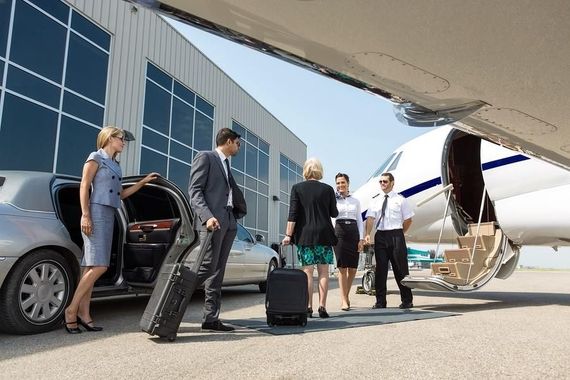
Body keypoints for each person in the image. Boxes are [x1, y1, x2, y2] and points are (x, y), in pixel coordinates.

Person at [64, 127, 159, 334]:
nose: (124, 142)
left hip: (109, 214)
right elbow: (84, 185)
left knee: (90, 267)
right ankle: (71, 310)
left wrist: (142, 183)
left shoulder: (116, 166)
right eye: (121, 139)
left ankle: (84, 315)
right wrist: (85, 214)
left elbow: (121, 194)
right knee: (100, 266)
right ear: (109, 138)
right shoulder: (95, 157)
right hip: (95, 212)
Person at [189, 128, 246, 332]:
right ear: (229, 141)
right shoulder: (206, 157)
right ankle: (173, 298)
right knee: (207, 267)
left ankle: (211, 318)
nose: (239, 147)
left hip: (229, 220)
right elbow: (194, 191)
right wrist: (207, 217)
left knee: (218, 270)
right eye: (238, 143)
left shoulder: (226, 164)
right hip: (212, 222)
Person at [282, 158, 338, 318]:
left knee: (307, 272)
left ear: (306, 170)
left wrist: (288, 235)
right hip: (324, 235)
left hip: (305, 236)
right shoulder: (327, 189)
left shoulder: (297, 188)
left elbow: (292, 214)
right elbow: (334, 213)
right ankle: (322, 306)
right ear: (320, 170)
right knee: (323, 272)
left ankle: (308, 306)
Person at [364, 172, 414, 309]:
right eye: (380, 182)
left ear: (392, 183)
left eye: (385, 181)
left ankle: (407, 300)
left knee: (401, 269)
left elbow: (408, 220)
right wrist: (367, 234)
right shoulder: (375, 200)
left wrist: (400, 233)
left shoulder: (401, 200)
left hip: (396, 235)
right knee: (381, 270)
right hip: (380, 236)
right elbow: (370, 219)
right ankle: (380, 301)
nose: (382, 184)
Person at [333, 173, 364, 311]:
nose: (340, 185)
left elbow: (359, 220)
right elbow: (331, 218)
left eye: (343, 182)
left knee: (352, 269)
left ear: (348, 183)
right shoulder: (333, 200)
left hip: (353, 232)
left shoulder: (355, 201)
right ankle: (344, 300)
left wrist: (361, 239)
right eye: (338, 183)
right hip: (339, 232)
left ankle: (346, 295)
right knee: (342, 267)